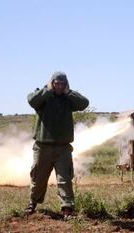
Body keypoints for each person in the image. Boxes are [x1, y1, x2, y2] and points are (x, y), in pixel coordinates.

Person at [25, 72, 89, 218]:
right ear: (51, 83)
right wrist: (47, 90)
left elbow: (84, 103)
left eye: (62, 84)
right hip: (43, 147)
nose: (59, 86)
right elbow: (31, 100)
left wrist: (68, 92)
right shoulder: (43, 97)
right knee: (38, 178)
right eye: (57, 83)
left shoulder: (68, 99)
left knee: (65, 179)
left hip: (63, 148)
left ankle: (67, 209)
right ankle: (32, 203)